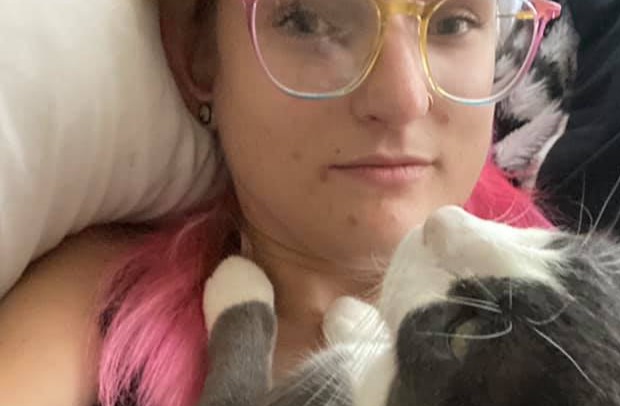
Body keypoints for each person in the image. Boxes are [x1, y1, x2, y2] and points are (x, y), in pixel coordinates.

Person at [0, 0, 565, 405]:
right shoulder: (93, 319)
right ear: (200, 53)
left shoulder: (573, 320)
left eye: (452, 22)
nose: (403, 97)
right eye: (309, 20)